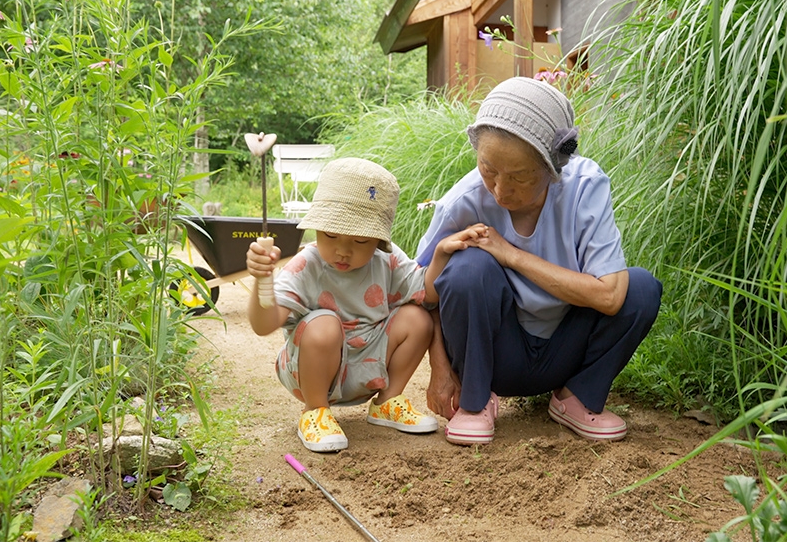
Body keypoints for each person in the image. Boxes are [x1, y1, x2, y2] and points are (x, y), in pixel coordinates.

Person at [416, 76, 663, 445]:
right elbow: (421, 293)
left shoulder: (584, 186)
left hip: (565, 348)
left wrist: (512, 255)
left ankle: (575, 398)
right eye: (488, 170)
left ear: (552, 167)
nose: (500, 190)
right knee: (468, 269)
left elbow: (610, 296)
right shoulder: (463, 201)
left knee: (639, 287)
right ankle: (476, 401)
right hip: (497, 353)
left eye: (519, 177)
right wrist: (440, 368)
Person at [246, 158, 478, 453]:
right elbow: (263, 324)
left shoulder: (387, 262)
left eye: (359, 240)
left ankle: (387, 401)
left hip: (369, 362)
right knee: (324, 324)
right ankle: (315, 412)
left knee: (417, 318)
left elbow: (427, 293)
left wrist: (442, 254)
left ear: (379, 240)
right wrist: (261, 281)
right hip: (314, 368)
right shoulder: (308, 265)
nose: (343, 250)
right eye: (330, 235)